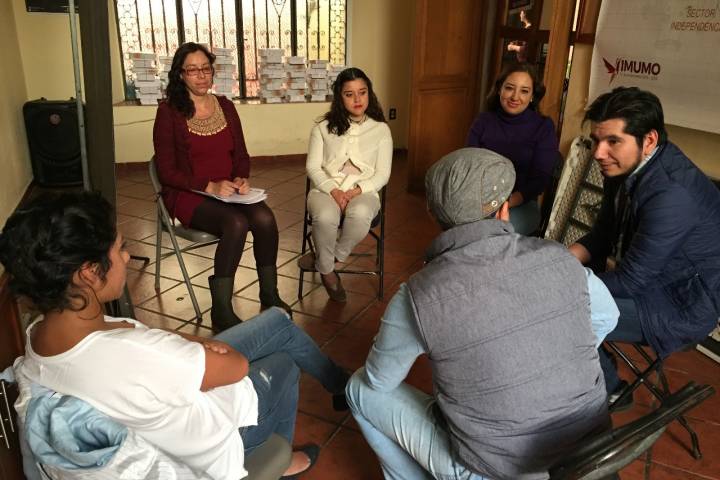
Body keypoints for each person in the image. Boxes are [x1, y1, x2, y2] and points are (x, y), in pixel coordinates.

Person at [0, 191, 349, 480]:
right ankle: (278, 460)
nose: (126, 257)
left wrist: (188, 349)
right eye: (120, 249)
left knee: (277, 322)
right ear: (90, 273)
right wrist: (197, 347)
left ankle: (341, 386)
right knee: (284, 363)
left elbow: (150, 350)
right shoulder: (131, 355)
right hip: (212, 444)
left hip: (163, 381)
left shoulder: (40, 333)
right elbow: (237, 367)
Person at [346, 148, 619, 480]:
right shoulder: (560, 258)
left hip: (494, 470)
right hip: (587, 458)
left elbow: (379, 380)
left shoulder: (418, 294)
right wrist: (550, 353)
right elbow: (608, 315)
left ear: (433, 216)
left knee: (359, 388)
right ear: (504, 210)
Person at [568, 86, 720, 406]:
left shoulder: (671, 194)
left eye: (613, 141)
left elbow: (631, 281)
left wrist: (559, 284)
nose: (598, 153)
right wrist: (559, 262)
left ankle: (610, 388)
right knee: (555, 291)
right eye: (596, 140)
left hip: (682, 306)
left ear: (648, 140)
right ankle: (590, 362)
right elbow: (602, 235)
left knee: (558, 310)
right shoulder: (623, 166)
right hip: (655, 282)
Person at [153, 42, 290, 333]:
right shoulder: (168, 112)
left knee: (265, 218)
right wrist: (208, 186)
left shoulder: (225, 106)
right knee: (236, 223)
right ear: (180, 74)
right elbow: (167, 172)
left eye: (206, 68)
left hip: (227, 190)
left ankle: (270, 294)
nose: (201, 76)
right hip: (188, 193)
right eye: (193, 70)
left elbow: (241, 154)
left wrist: (241, 177)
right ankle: (221, 310)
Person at [302, 67, 392, 302]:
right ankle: (328, 273)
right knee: (325, 216)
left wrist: (355, 192)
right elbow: (312, 167)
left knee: (361, 213)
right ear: (339, 97)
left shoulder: (381, 129)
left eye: (362, 92)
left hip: (364, 190)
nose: (357, 99)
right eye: (349, 94)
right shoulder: (322, 128)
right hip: (325, 189)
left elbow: (383, 174)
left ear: (369, 93)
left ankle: (329, 261)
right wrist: (333, 190)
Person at [466, 62, 558, 235]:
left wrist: (503, 204)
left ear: (532, 96)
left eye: (524, 91)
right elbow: (469, 166)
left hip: (521, 204)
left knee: (488, 234)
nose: (515, 97)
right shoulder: (483, 121)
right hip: (480, 202)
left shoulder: (543, 127)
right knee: (458, 230)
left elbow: (539, 181)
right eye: (509, 88)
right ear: (499, 89)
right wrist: (481, 204)